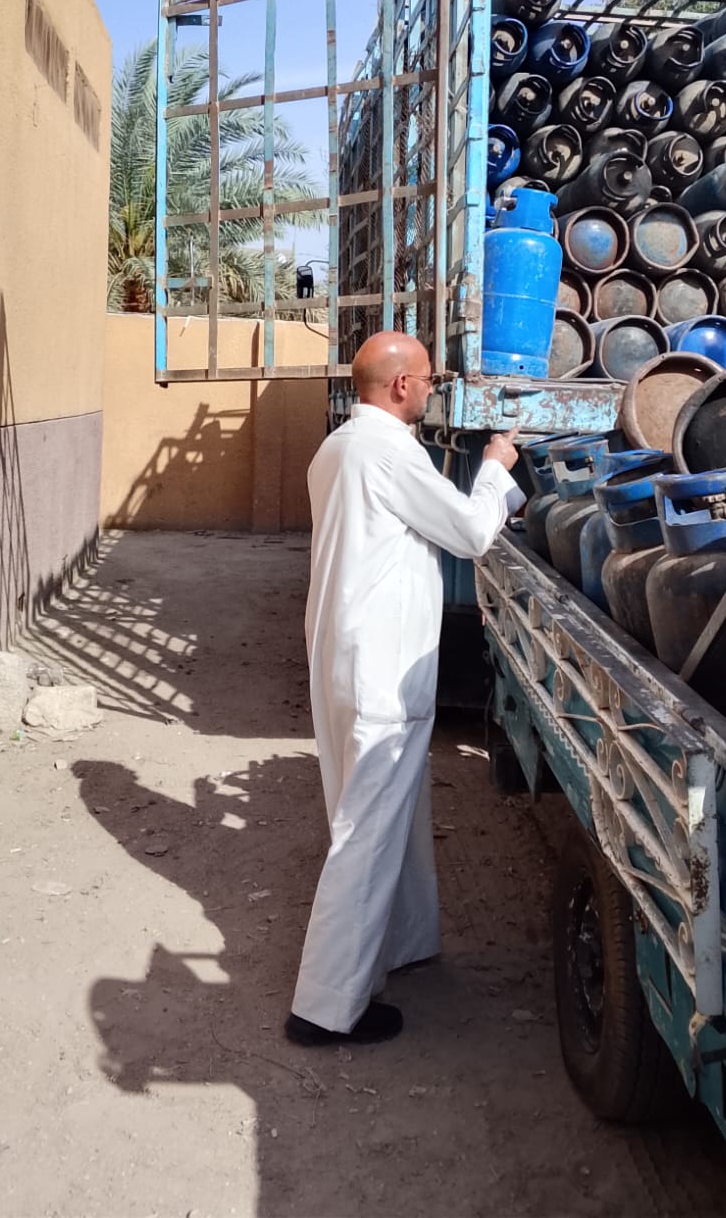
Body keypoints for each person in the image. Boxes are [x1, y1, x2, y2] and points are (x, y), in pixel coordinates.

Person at [285, 331, 524, 1047]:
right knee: (368, 830)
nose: (431, 389)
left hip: (344, 653)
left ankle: (401, 945)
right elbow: (470, 532)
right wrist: (495, 467)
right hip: (381, 666)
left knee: (386, 813)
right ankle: (325, 1008)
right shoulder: (390, 451)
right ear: (398, 386)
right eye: (427, 379)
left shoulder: (336, 448)